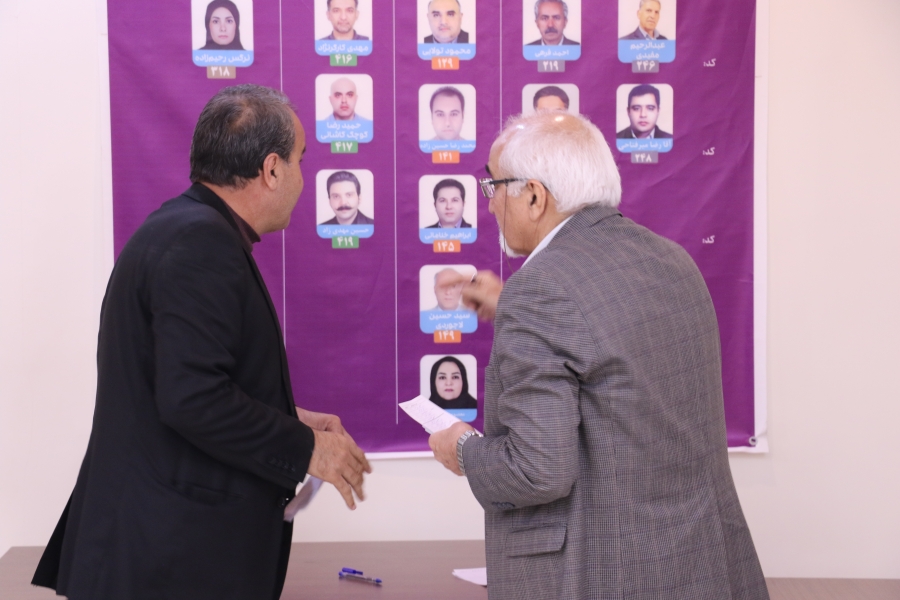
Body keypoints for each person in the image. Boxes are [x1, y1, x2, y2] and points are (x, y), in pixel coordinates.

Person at [31, 85, 372, 600]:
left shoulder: (182, 229)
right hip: (166, 560)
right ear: (271, 169)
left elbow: (178, 384)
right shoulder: (200, 243)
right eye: (300, 161)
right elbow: (192, 399)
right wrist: (307, 449)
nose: (303, 179)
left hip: (159, 550)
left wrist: (290, 417)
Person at [428, 111, 769, 599]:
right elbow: (618, 349)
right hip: (703, 567)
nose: (490, 203)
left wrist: (462, 448)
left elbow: (535, 471)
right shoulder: (672, 259)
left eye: (494, 186)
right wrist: (514, 310)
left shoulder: (541, 289)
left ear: (534, 196)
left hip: (610, 576)